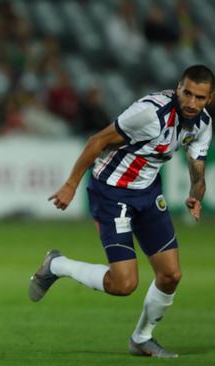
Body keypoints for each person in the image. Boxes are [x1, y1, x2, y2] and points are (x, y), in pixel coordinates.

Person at [30, 64, 212, 358]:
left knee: (171, 275)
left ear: (210, 98)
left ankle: (141, 338)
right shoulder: (150, 113)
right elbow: (97, 141)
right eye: (187, 93)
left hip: (148, 192)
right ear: (178, 87)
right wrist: (70, 184)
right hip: (111, 193)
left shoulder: (202, 123)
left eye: (200, 97)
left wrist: (195, 194)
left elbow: (198, 168)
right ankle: (56, 265)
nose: (192, 103)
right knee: (124, 284)